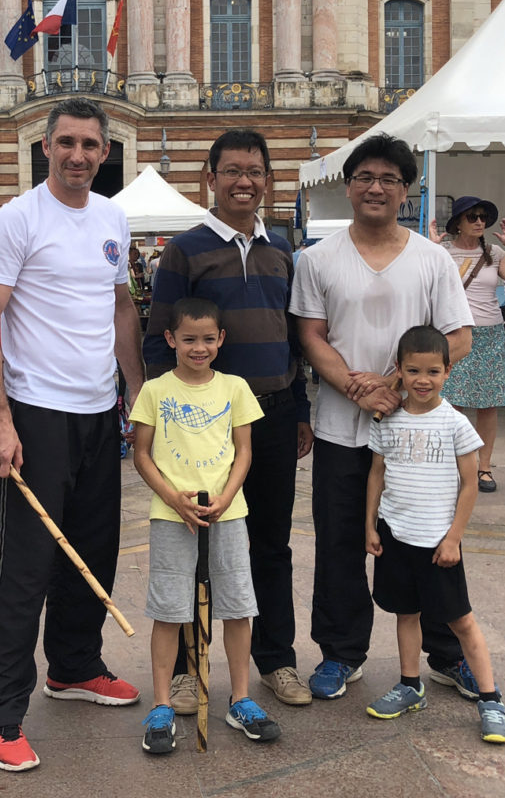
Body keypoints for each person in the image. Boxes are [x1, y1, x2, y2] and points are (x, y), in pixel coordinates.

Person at [0, 97, 144, 773]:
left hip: (100, 413)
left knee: (92, 553)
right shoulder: (16, 220)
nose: (77, 155)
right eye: (65, 143)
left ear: (105, 152)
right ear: (46, 148)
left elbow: (121, 305)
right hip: (35, 413)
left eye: (89, 145)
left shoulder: (113, 217)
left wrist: (137, 392)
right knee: (21, 569)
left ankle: (73, 667)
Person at [290, 132, 475, 703]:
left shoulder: (432, 258)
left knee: (427, 543)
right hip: (342, 431)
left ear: (405, 192)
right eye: (365, 177)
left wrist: (393, 385)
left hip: (416, 435)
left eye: (389, 179)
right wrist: (354, 389)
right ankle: (341, 653)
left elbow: (460, 337)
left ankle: (444, 655)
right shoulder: (317, 259)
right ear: (348, 187)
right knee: (341, 543)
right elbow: (309, 336)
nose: (376, 188)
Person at [144, 127, 314, 713]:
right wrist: (165, 421)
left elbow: (295, 338)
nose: (245, 182)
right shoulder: (185, 249)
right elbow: (157, 339)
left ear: (268, 180)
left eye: (256, 172)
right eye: (232, 171)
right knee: (198, 544)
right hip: (203, 426)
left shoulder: (283, 250)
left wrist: (300, 410)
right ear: (210, 179)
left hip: (272, 414)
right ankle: (192, 670)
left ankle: (277, 661)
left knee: (269, 543)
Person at [133, 297, 280, 755]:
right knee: (170, 608)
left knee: (238, 604)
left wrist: (229, 495)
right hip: (171, 513)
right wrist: (174, 498)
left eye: (208, 339)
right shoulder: (155, 391)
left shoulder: (235, 388)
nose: (200, 348)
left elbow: (245, 452)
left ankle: (240, 698)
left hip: (227, 512)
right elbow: (141, 453)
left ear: (221, 340)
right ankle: (161, 705)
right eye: (189, 339)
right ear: (171, 339)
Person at [364, 325, 505, 744]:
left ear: (448, 371)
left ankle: (491, 698)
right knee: (405, 613)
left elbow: (470, 484)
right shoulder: (387, 420)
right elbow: (377, 474)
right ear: (399, 371)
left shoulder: (455, 424)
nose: (423, 380)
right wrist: (370, 526)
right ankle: (410, 685)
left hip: (438, 542)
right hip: (396, 537)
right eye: (413, 371)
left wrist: (453, 539)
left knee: (461, 619)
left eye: (433, 370)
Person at [429, 196, 505, 493]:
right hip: (453, 333)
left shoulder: (494, 252)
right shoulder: (442, 252)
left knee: (488, 406)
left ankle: (484, 468)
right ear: (457, 222)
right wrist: (432, 248)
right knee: (451, 404)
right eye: (471, 216)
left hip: (489, 335)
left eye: (483, 217)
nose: (479, 221)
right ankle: (459, 465)